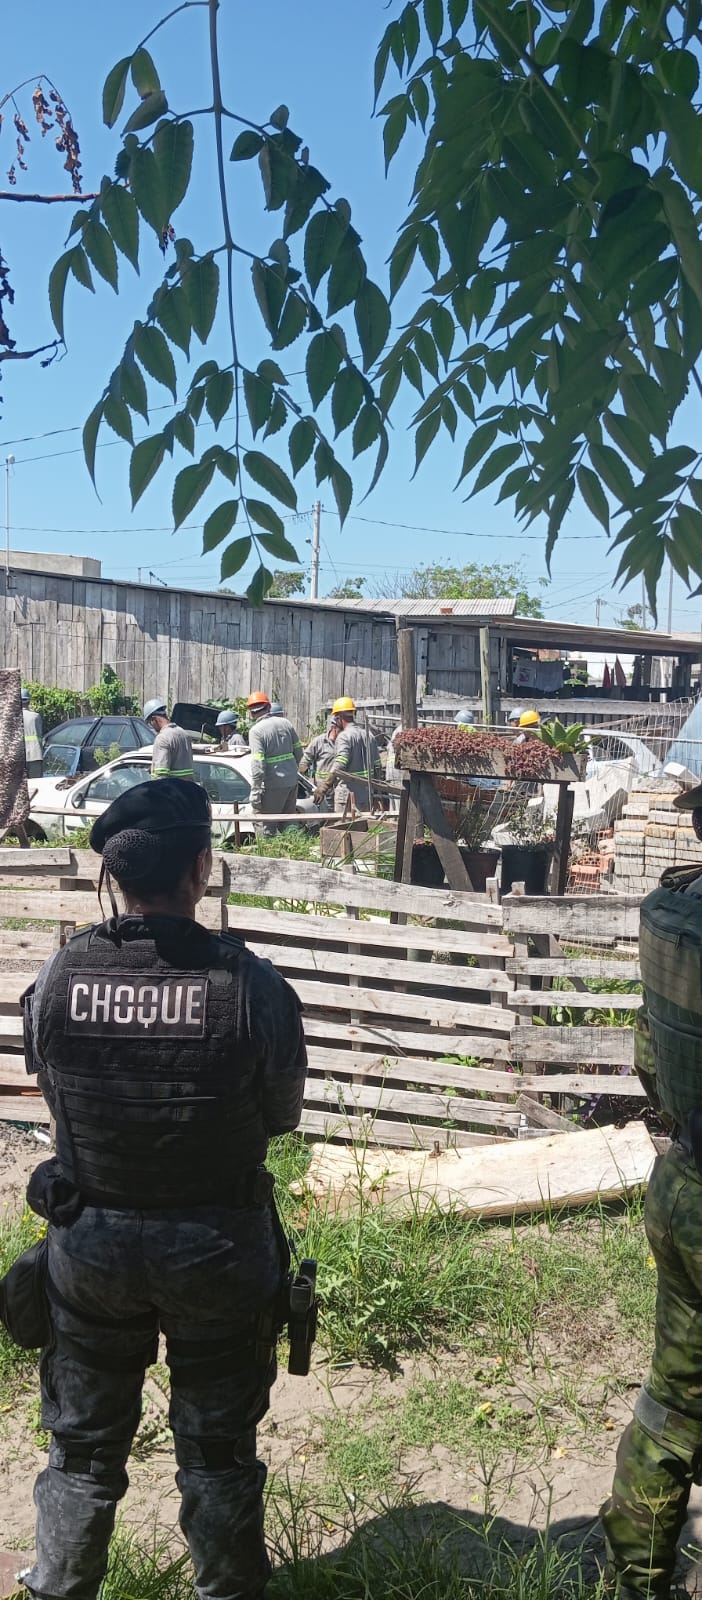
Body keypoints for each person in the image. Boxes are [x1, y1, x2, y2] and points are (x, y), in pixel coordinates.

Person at [19, 777, 307, 1600]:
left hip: (90, 1250)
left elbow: (53, 1086)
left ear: (118, 873)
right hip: (217, 1252)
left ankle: (60, 1585)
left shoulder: (63, 972)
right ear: (200, 871)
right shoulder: (250, 985)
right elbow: (281, 1117)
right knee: (217, 1451)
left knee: (80, 1448)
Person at [601, 780, 702, 1598]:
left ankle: (638, 1574)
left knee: (675, 1397)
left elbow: (649, 1060)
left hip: (684, 1181)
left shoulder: (669, 916)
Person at [247, 692, 303, 835]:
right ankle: (294, 849)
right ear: (269, 707)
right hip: (291, 782)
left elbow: (258, 765)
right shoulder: (286, 723)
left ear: (252, 713)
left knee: (266, 825)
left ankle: (267, 854)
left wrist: (255, 792)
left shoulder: (256, 731)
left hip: (272, 785)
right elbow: (299, 753)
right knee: (289, 821)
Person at [314, 698, 380, 813]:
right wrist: (378, 794)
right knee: (363, 829)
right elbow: (377, 765)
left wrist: (324, 786)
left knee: (344, 828)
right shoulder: (369, 736)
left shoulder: (344, 737)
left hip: (348, 796)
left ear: (339, 717)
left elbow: (340, 763)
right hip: (366, 794)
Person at [143, 698, 194, 781]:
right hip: (187, 790)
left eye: (150, 723)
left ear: (154, 719)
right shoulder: (184, 734)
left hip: (172, 791)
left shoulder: (162, 738)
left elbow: (160, 775)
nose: (151, 726)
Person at [299, 717, 339, 790]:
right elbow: (306, 759)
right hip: (321, 790)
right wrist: (302, 773)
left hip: (339, 789)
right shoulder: (319, 741)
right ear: (334, 727)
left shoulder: (345, 743)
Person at [21, 686, 43, 778]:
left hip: (19, 757)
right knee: (36, 785)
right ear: (29, 701)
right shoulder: (35, 717)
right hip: (35, 755)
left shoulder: (12, 718)